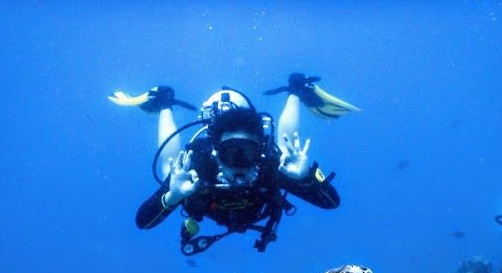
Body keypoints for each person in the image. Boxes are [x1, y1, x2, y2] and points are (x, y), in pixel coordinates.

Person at [109, 74, 358, 255]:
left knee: (285, 149)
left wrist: (303, 177)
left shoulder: (272, 166)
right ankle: (164, 105)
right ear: (216, 153)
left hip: (273, 157)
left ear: (259, 152)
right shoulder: (195, 170)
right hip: (199, 168)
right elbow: (143, 222)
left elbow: (332, 203)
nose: (239, 163)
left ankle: (296, 90)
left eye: (247, 153)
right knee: (171, 168)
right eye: (230, 153)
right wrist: (171, 196)